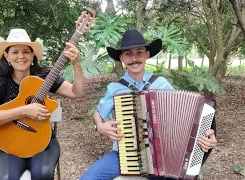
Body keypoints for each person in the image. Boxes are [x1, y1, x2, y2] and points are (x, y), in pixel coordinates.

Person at [80, 29, 217, 180]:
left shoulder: (161, 83)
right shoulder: (115, 88)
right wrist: (100, 125)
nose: (134, 58)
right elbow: (98, 114)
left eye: (139, 52)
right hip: (124, 156)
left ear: (147, 54)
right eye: (128, 54)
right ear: (122, 58)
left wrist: (207, 136)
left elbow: (187, 116)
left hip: (163, 156)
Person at [0, 28, 84, 180]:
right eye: (15, 52)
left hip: (42, 143)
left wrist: (76, 64)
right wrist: (25, 110)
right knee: (6, 178)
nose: (21, 56)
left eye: (26, 51)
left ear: (33, 54)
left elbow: (75, 92)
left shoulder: (45, 76)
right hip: (8, 145)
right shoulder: (0, 80)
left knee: (43, 174)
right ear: (7, 55)